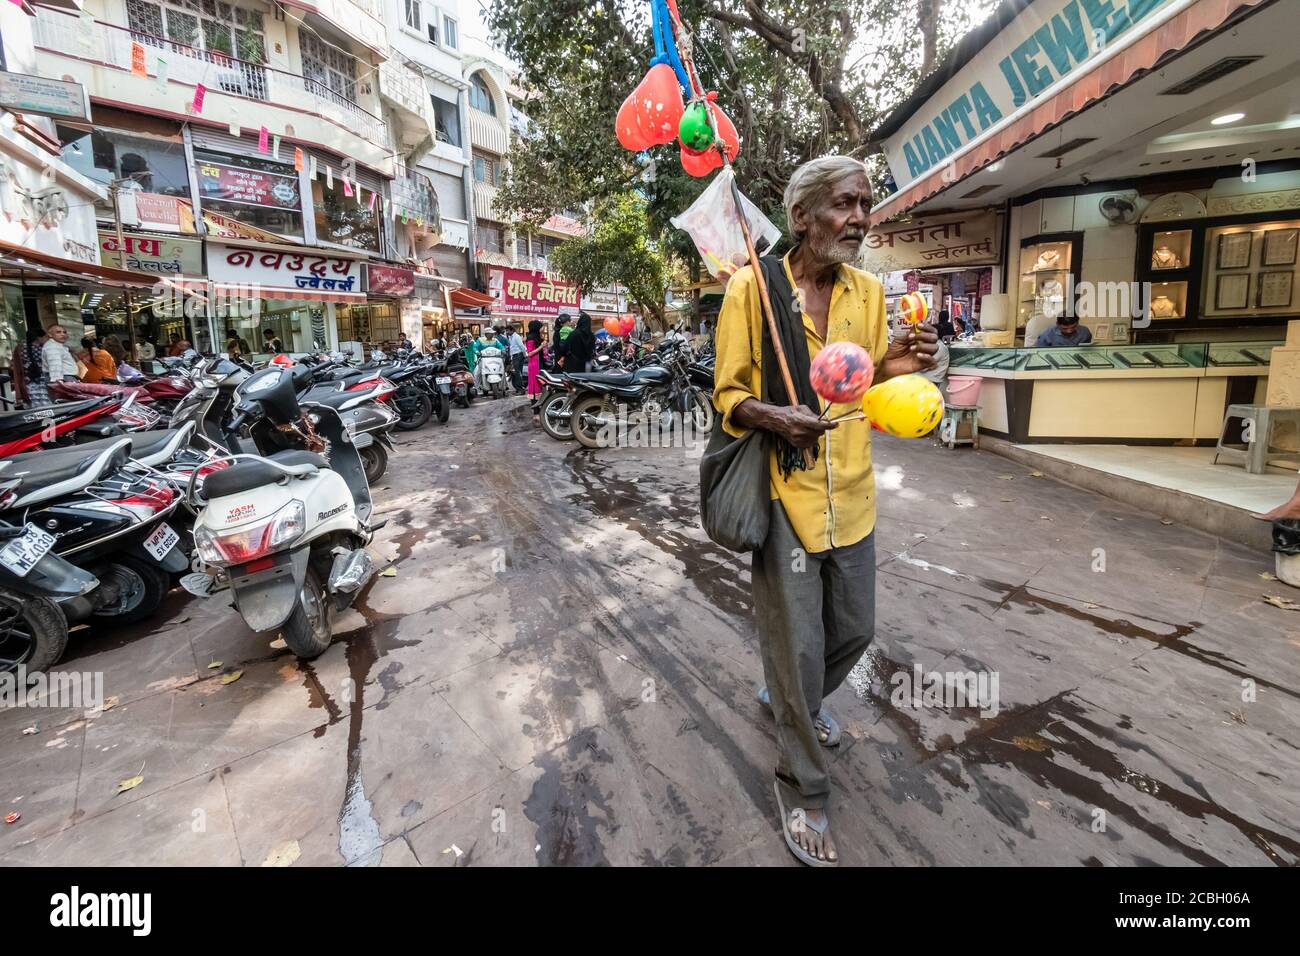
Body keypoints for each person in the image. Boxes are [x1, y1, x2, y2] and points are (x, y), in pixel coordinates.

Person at [712, 155, 938, 866]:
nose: (861, 219)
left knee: (854, 630)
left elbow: (862, 386)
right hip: (786, 496)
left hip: (854, 491)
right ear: (802, 216)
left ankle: (792, 696)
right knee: (798, 647)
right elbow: (728, 395)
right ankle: (803, 786)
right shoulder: (751, 289)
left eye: (866, 205)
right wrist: (777, 415)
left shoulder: (869, 292)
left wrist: (903, 362)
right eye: (846, 204)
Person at [41, 323, 80, 400]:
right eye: (58, 332)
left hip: (65, 378)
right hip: (63, 379)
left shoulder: (56, 345)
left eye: (64, 332)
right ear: (50, 334)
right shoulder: (52, 347)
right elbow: (55, 365)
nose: (62, 334)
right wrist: (59, 383)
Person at [12, 329, 47, 407]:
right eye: (45, 337)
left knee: (35, 408)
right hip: (43, 383)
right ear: (39, 338)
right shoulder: (43, 349)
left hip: (28, 385)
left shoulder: (20, 348)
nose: (46, 339)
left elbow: (15, 366)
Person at [525, 319, 546, 425]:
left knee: (541, 388)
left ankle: (541, 411)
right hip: (534, 366)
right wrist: (541, 346)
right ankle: (536, 413)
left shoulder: (538, 337)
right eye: (541, 326)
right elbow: (529, 354)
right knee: (535, 389)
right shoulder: (530, 338)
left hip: (540, 364)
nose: (542, 328)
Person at [507, 324, 526, 394]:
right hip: (515, 356)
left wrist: (524, 354)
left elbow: (521, 346)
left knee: (518, 373)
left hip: (518, 355)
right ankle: (519, 388)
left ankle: (520, 389)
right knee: (517, 372)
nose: (507, 332)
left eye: (508, 330)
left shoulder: (516, 336)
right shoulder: (511, 337)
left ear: (512, 330)